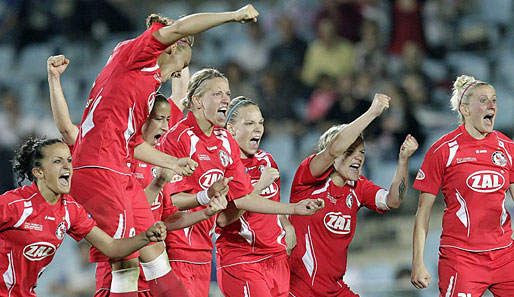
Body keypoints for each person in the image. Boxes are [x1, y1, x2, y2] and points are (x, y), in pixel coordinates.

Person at [66, 5, 260, 297]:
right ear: (169, 48)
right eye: (184, 60)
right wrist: (232, 16)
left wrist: (174, 162)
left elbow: (134, 146)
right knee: (126, 265)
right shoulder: (136, 56)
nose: (182, 70)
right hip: (99, 168)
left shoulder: (144, 85)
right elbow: (181, 28)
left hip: (118, 166)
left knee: (157, 258)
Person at [47, 55, 226, 296]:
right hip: (123, 264)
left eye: (166, 120)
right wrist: (54, 79)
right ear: (142, 118)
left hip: (155, 266)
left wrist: (179, 51)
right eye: (159, 120)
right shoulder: (109, 153)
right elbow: (68, 130)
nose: (166, 125)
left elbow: (179, 95)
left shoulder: (160, 153)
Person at [158, 68, 325, 296]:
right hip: (176, 249)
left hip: (203, 250)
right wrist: (207, 196)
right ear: (197, 101)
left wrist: (292, 210)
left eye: (227, 93)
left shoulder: (224, 141)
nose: (225, 98)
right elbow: (171, 201)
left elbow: (243, 197)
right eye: (217, 94)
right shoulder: (178, 138)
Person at [287, 94, 419, 297]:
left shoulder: (358, 188)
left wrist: (403, 160)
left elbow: (393, 201)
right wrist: (372, 113)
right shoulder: (307, 179)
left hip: (335, 289)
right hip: (300, 290)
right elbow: (332, 150)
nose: (358, 156)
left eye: (362, 152)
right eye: (350, 151)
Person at [0, 137, 167, 296]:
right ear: (38, 172)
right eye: (58, 161)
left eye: (69, 160)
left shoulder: (70, 210)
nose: (67, 166)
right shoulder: (14, 204)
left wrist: (145, 237)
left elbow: (111, 247)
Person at [411, 75, 514, 296]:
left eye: (494, 100)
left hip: (505, 255)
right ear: (465, 109)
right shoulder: (443, 151)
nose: (492, 105)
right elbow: (423, 212)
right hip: (462, 257)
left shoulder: (507, 147)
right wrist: (417, 262)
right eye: (484, 100)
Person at [214, 96, 295, 296]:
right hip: (242, 260)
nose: (258, 129)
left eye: (260, 123)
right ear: (231, 129)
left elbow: (273, 203)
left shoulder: (266, 160)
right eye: (249, 123)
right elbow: (223, 219)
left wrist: (287, 226)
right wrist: (257, 187)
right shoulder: (221, 167)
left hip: (276, 258)